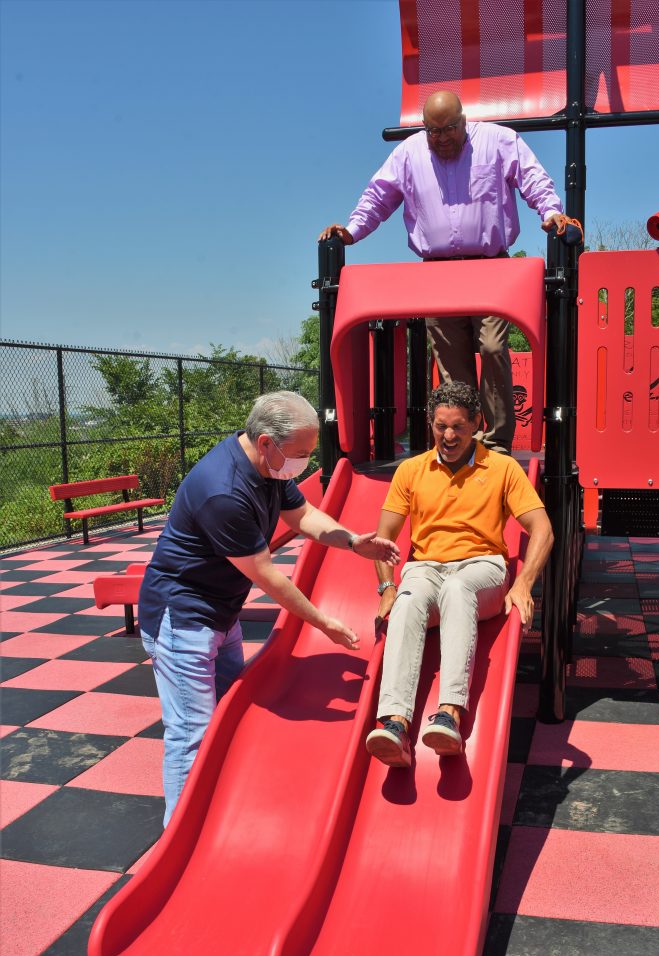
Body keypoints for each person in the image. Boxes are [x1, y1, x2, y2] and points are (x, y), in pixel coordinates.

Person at [139, 390, 400, 825]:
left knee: (227, 713)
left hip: (220, 612)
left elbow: (304, 517)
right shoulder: (223, 491)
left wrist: (354, 542)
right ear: (266, 442)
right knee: (191, 731)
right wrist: (323, 623)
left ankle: (212, 808)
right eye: (300, 454)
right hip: (182, 617)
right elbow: (268, 576)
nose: (304, 463)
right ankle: (180, 834)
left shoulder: (270, 468)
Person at [320, 89, 567, 455]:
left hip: (491, 267)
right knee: (451, 364)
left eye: (449, 129)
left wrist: (550, 212)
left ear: (463, 121)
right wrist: (352, 231)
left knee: (493, 345)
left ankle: (497, 440)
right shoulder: (409, 153)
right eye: (433, 132)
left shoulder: (498, 141)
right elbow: (379, 196)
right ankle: (463, 438)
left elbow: (532, 178)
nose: (441, 138)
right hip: (437, 274)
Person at [364, 380, 553, 767]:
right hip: (426, 567)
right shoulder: (412, 470)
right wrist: (386, 587)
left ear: (476, 424)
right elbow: (383, 539)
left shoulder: (501, 468)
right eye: (440, 426)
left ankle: (450, 713)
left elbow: (543, 529)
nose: (448, 436)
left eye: (458, 427)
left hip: (480, 567)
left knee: (457, 588)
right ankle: (395, 724)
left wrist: (523, 583)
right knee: (408, 599)